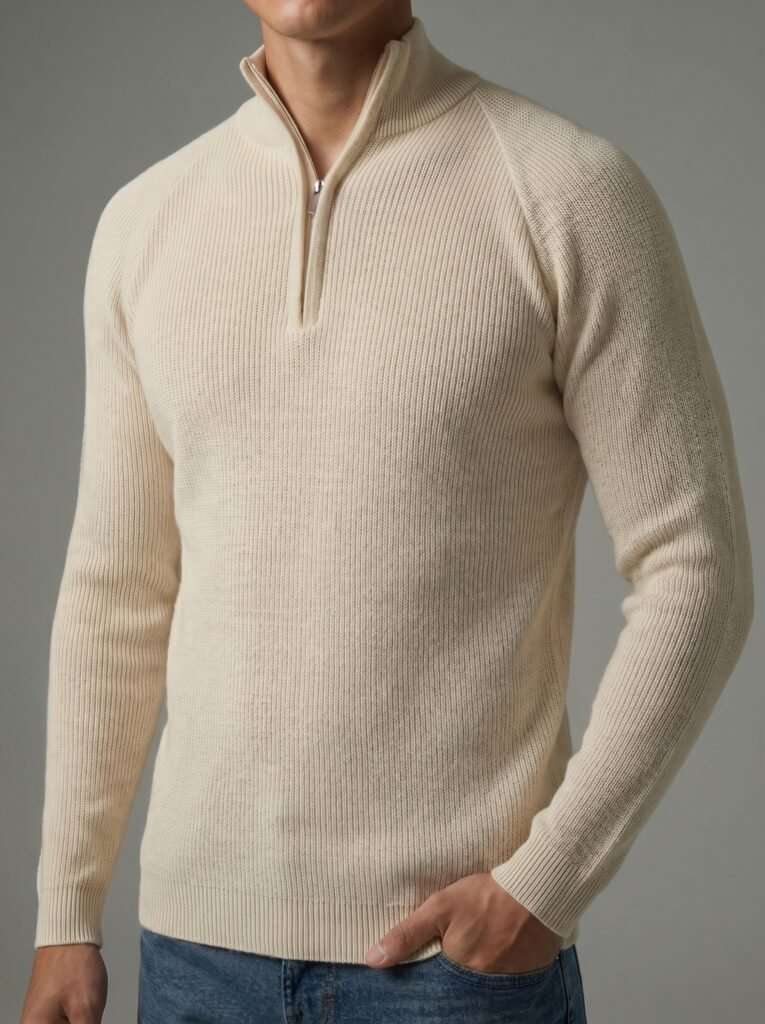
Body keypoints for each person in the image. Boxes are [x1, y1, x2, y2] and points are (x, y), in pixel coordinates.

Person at [21, 1, 754, 1022]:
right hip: (193, 960)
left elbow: (697, 565)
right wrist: (66, 913)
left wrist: (546, 883)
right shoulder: (146, 222)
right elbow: (117, 590)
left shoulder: (567, 191)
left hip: (454, 972)